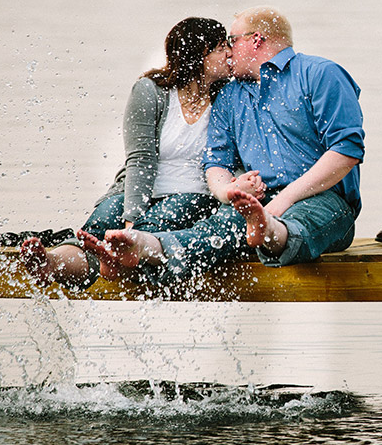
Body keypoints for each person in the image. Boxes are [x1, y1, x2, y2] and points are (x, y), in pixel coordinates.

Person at [87, 6, 365, 284]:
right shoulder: (230, 95)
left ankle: (268, 228)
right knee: (216, 229)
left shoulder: (320, 74)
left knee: (302, 223)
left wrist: (285, 198)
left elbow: (346, 150)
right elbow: (216, 161)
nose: (229, 51)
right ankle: (144, 246)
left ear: (256, 39)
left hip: (325, 199)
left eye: (232, 40)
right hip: (254, 201)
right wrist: (228, 190)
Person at [20, 17, 233, 289]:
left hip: (193, 195)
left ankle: (113, 260)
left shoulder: (230, 96)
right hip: (136, 191)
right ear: (197, 55)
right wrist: (132, 214)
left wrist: (132, 229)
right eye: (220, 47)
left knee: (144, 230)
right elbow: (140, 159)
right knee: (99, 224)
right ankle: (51, 263)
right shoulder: (151, 91)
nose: (229, 52)